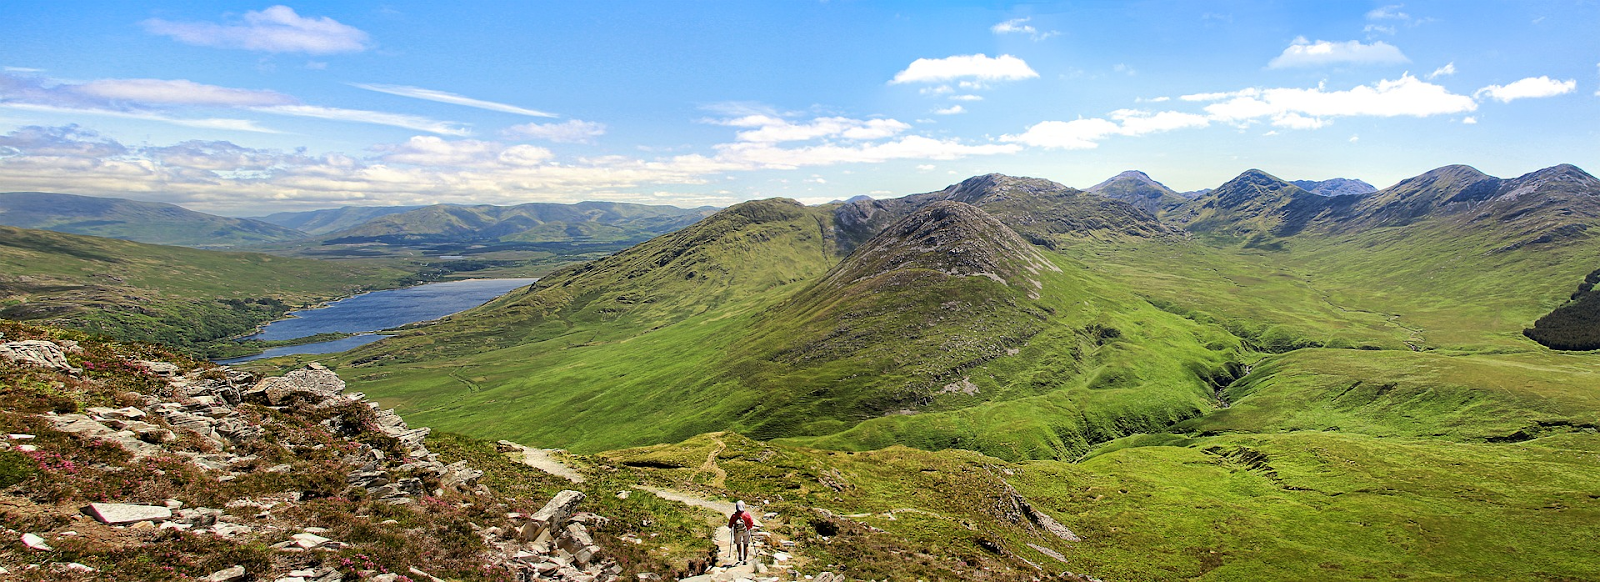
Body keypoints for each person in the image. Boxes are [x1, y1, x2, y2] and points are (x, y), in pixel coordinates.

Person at [728, 500, 755, 565]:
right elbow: (751, 523)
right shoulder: (747, 514)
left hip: (737, 531)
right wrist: (748, 528)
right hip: (745, 530)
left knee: (738, 543)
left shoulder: (734, 516)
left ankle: (740, 556)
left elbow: (730, 525)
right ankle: (745, 559)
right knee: (746, 544)